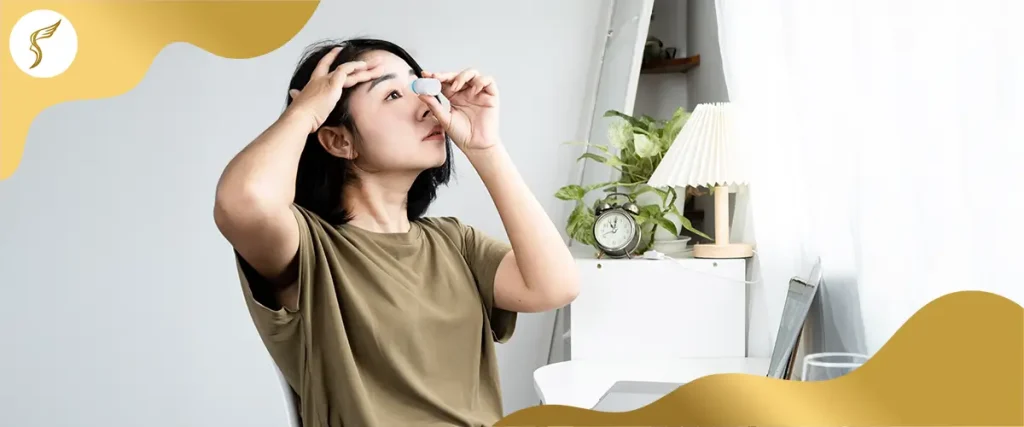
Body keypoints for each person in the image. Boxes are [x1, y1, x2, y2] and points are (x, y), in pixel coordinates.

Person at [212, 38, 580, 427]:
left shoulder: (455, 243)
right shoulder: (311, 249)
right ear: (339, 139)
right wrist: (305, 113)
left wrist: (484, 147)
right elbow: (244, 202)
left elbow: (555, 286)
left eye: (419, 87)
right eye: (391, 95)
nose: (428, 106)